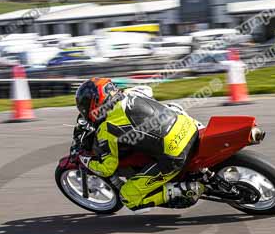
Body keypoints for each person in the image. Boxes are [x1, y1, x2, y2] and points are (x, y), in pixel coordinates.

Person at [74, 77, 204, 211]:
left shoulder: (107, 128)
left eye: (84, 105)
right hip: (188, 125)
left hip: (174, 154)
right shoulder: (131, 92)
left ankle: (182, 190)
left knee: (128, 197)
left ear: (95, 103)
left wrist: (84, 159)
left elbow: (107, 168)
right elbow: (148, 90)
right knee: (171, 107)